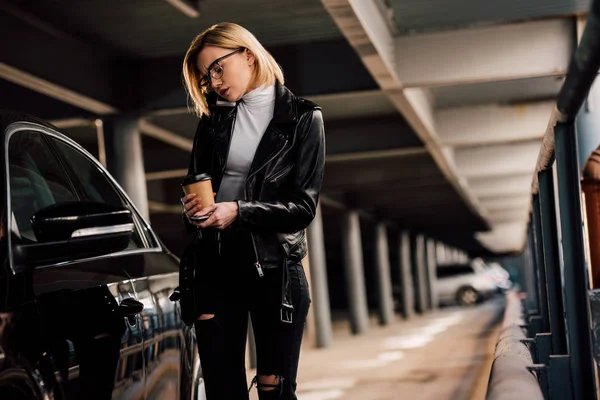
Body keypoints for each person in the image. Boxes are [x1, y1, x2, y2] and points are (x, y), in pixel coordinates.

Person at [180, 22, 325, 399]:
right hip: (215, 265)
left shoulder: (304, 119)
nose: (212, 82)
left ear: (246, 53)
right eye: (204, 77)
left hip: (275, 272)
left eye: (216, 69)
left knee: (273, 389)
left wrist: (238, 211)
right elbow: (198, 183)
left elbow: (303, 207)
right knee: (223, 389)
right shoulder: (212, 121)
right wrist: (194, 207)